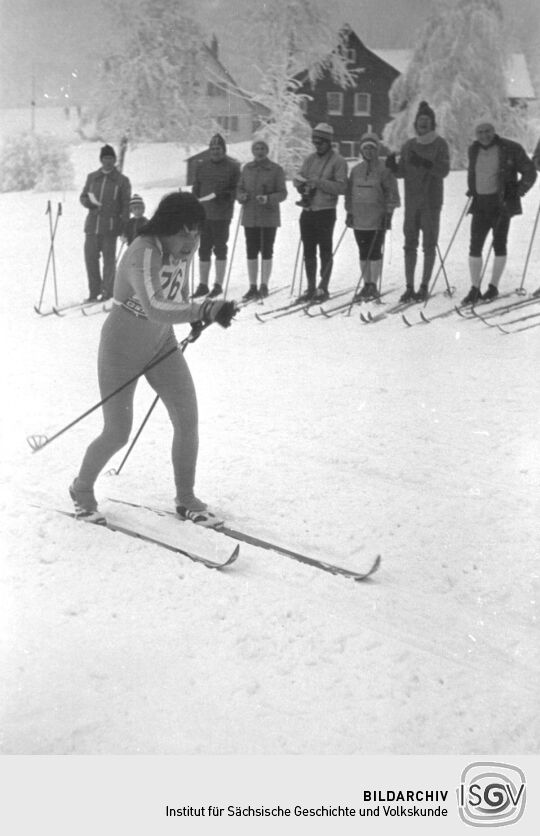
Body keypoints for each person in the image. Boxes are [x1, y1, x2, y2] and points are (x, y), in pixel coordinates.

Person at [69, 192, 238, 527]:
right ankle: (81, 488)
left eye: (195, 233)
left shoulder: (184, 245)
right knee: (117, 432)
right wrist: (204, 308)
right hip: (122, 347)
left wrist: (192, 314)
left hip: (161, 342)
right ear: (165, 228)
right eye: (182, 234)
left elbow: (177, 291)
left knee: (187, 419)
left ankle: (186, 497)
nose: (190, 242)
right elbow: (155, 306)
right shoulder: (142, 252)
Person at [461, 122, 537, 305]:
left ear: (494, 131)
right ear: (476, 134)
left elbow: (530, 171)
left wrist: (518, 191)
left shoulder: (510, 148)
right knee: (475, 245)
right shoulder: (474, 149)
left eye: (487, 131)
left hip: (501, 204)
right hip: (480, 203)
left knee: (499, 244)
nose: (484, 135)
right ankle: (475, 288)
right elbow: (474, 173)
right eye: (480, 132)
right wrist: (472, 189)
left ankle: (493, 287)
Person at [386, 101, 450, 302]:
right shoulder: (409, 145)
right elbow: (403, 172)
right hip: (412, 203)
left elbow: (444, 171)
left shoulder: (440, 144)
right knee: (409, 244)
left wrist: (425, 163)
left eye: (427, 120)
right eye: (420, 120)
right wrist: (393, 168)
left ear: (432, 124)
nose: (423, 124)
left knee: (429, 245)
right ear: (416, 124)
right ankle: (409, 286)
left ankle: (424, 286)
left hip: (431, 202)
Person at [293, 123, 348, 302]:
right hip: (308, 209)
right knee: (308, 250)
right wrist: (299, 183)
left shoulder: (338, 161)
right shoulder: (310, 159)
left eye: (321, 142)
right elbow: (299, 176)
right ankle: (310, 287)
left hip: (325, 211)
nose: (318, 145)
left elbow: (342, 187)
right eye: (315, 141)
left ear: (329, 142)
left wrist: (319, 183)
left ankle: (323, 287)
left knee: (325, 249)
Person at [345, 132, 400, 300]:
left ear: (376, 150)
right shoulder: (355, 170)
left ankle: (373, 284)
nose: (368, 151)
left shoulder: (384, 170)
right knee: (363, 251)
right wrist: (349, 212)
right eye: (365, 148)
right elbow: (349, 193)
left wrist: (389, 214)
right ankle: (366, 284)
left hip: (377, 218)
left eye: (372, 148)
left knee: (374, 251)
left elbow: (392, 194)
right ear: (362, 151)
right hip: (359, 218)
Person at [236, 140, 288, 300]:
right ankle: (252, 286)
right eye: (257, 148)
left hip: (268, 216)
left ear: (267, 150)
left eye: (262, 148)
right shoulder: (247, 169)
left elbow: (283, 193)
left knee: (266, 250)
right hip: (250, 216)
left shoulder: (276, 170)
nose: (259, 151)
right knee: (251, 250)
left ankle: (264, 285)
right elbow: (239, 188)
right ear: (253, 151)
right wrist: (241, 196)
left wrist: (268, 198)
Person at [191, 133, 241, 299]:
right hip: (204, 214)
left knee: (220, 248)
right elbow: (196, 189)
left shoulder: (233, 167)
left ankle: (218, 284)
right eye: (212, 149)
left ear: (224, 150)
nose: (215, 152)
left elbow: (238, 188)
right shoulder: (202, 166)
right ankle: (203, 284)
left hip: (222, 214)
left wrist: (226, 195)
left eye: (218, 149)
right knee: (203, 249)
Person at [79, 144, 131, 302]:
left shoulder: (121, 180)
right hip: (92, 226)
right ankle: (94, 292)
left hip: (110, 227)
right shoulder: (92, 177)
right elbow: (83, 196)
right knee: (90, 260)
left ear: (114, 160)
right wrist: (89, 202)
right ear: (101, 159)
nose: (107, 161)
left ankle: (108, 292)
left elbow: (125, 204)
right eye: (105, 158)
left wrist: (124, 226)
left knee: (109, 262)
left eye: (110, 158)